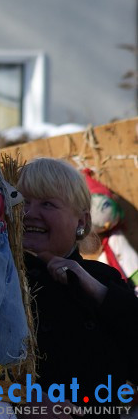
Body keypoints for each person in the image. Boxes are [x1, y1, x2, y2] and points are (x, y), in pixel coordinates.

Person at [17, 158, 138, 413]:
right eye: (23, 201)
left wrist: (96, 290)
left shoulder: (103, 279)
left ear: (81, 221)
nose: (29, 212)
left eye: (47, 203)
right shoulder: (5, 277)